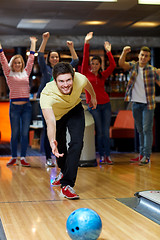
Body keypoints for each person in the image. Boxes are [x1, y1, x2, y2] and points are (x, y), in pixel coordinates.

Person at [40, 62, 97, 199]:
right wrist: (52, 141)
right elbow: (50, 121)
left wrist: (93, 97)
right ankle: (63, 171)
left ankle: (67, 184)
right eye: (61, 81)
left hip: (75, 110)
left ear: (73, 77)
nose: (65, 84)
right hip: (57, 117)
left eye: (68, 80)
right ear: (55, 80)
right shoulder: (46, 94)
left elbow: (88, 84)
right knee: (60, 147)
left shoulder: (80, 78)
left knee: (77, 143)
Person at [37, 32, 79, 167]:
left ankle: (59, 158)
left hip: (60, 106)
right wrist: (44, 40)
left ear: (59, 58)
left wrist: (71, 47)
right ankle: (48, 157)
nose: (54, 58)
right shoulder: (46, 70)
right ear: (49, 59)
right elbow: (39, 57)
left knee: (60, 132)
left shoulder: (63, 71)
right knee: (48, 129)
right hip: (47, 105)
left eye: (56, 56)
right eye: (52, 57)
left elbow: (76, 61)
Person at [119, 46, 160, 165]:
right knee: (140, 130)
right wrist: (124, 52)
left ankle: (146, 156)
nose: (143, 57)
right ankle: (141, 154)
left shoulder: (152, 70)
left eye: (146, 56)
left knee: (147, 130)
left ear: (149, 58)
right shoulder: (133, 66)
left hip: (148, 105)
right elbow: (121, 63)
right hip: (136, 104)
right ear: (139, 56)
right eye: (142, 55)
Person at [0, 37, 37, 167]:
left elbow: (31, 59)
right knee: (15, 133)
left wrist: (33, 43)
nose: (18, 65)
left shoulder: (26, 73)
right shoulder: (8, 73)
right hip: (14, 108)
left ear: (22, 64)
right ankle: (14, 157)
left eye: (20, 63)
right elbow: (2, 58)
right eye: (15, 63)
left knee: (24, 133)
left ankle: (23, 157)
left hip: (26, 107)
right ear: (12, 64)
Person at [81, 32, 116, 165]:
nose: (94, 66)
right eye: (93, 63)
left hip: (106, 104)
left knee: (106, 132)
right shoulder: (85, 73)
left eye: (97, 64)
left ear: (100, 65)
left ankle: (108, 156)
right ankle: (101, 155)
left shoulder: (103, 75)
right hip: (93, 106)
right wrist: (86, 43)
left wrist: (108, 52)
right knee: (100, 132)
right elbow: (84, 58)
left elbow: (112, 66)